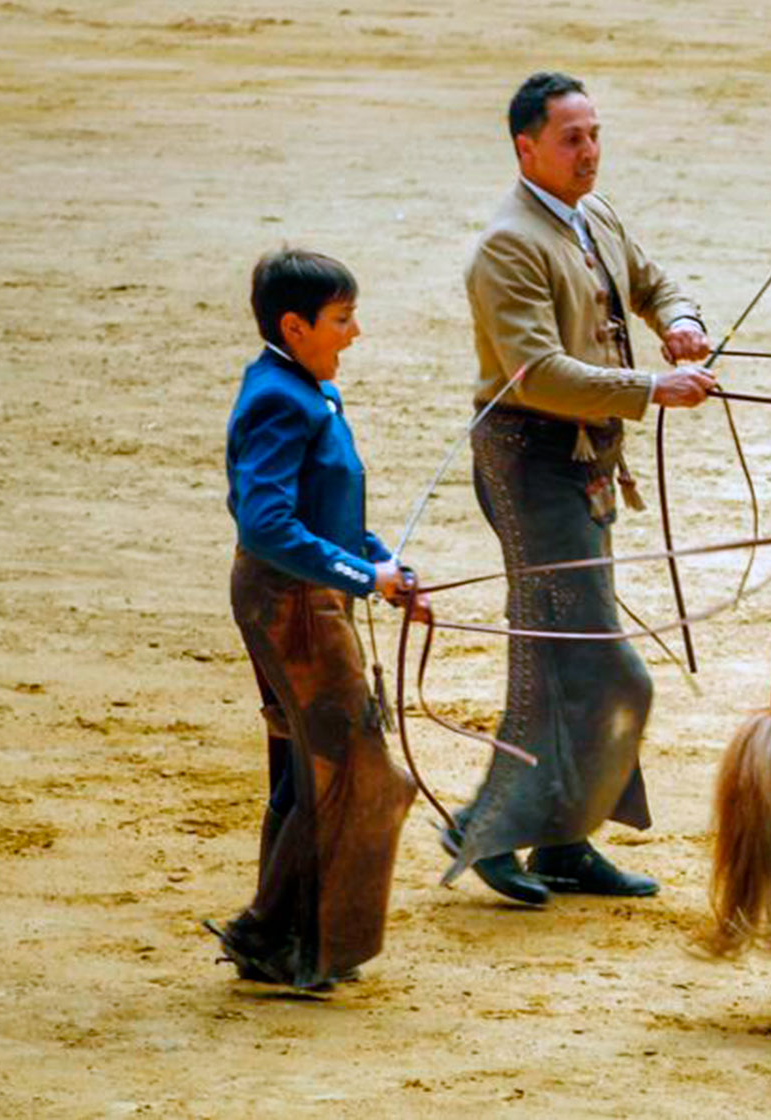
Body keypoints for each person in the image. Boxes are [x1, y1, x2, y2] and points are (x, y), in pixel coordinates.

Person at [439, 71, 716, 905]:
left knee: (569, 658)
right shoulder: (506, 243)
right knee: (594, 668)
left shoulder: (592, 214)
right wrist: (650, 391)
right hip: (532, 465)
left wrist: (682, 323)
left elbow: (656, 282)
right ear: (525, 147)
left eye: (594, 134)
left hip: (582, 466)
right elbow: (538, 373)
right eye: (571, 138)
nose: (589, 151)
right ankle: (485, 827)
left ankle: (562, 841)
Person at [206, 248, 425, 990]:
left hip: (304, 595)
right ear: (294, 326)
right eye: (341, 320)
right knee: (349, 767)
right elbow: (267, 522)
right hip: (289, 604)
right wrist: (365, 575)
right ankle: (271, 933)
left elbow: (328, 512)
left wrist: (382, 567)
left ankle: (295, 933)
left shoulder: (300, 386)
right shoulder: (282, 398)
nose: (354, 333)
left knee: (315, 767)